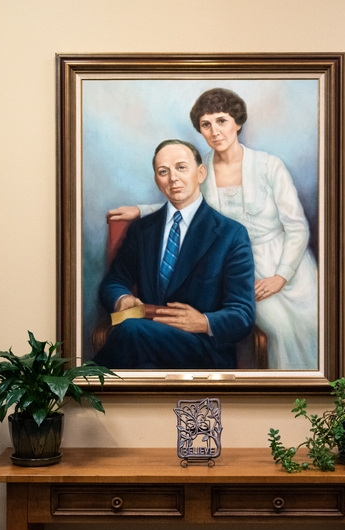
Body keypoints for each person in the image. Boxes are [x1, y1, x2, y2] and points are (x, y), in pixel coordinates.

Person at [108, 88, 319, 370]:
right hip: (243, 269)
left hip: (284, 263)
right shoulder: (200, 166)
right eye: (206, 124)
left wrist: (281, 276)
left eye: (221, 121)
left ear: (238, 122)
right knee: (276, 327)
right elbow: (183, 202)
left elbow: (297, 227)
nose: (215, 132)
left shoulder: (269, 166)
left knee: (302, 328)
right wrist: (141, 210)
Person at [94, 139, 255, 370]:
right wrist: (122, 298)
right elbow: (114, 281)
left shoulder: (231, 234)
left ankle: (78, 383)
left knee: (130, 330)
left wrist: (204, 321)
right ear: (156, 180)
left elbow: (243, 314)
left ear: (201, 173)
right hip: (146, 342)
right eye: (163, 171)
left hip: (203, 349)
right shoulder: (142, 230)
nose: (173, 178)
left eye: (181, 167)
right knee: (142, 365)